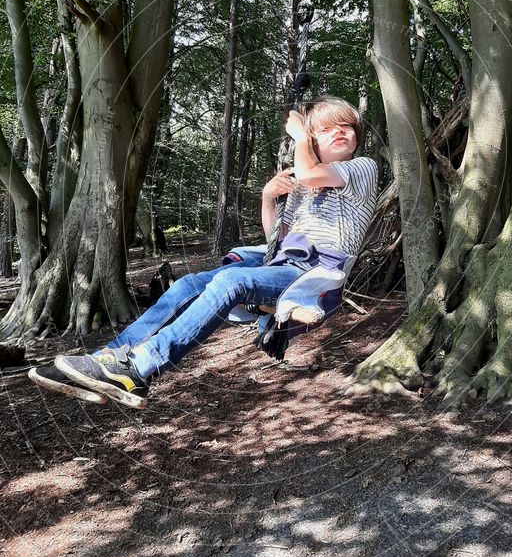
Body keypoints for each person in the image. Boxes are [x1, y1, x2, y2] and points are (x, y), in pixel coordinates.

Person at [29, 96, 378, 409]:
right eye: (327, 128)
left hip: (315, 275)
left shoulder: (362, 168)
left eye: (346, 127)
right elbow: (276, 238)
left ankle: (139, 366)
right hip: (284, 262)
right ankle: (107, 358)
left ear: (356, 139)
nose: (340, 132)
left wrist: (300, 137)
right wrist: (268, 197)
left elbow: (311, 173)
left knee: (231, 282)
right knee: (188, 284)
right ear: (316, 141)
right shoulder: (304, 183)